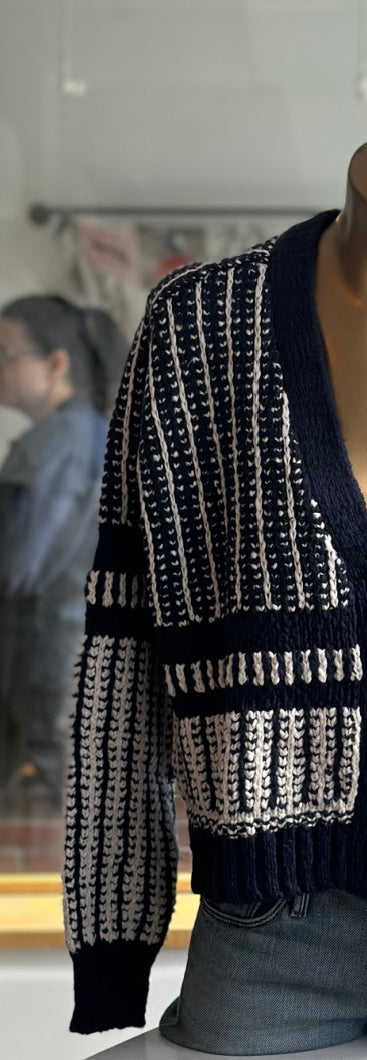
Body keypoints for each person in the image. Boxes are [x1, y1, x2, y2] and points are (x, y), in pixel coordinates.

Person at [0, 294, 128, 816]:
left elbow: (19, 564)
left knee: (58, 800)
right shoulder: (81, 431)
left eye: (6, 353)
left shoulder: (62, 439)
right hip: (59, 645)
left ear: (55, 364)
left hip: (45, 649)